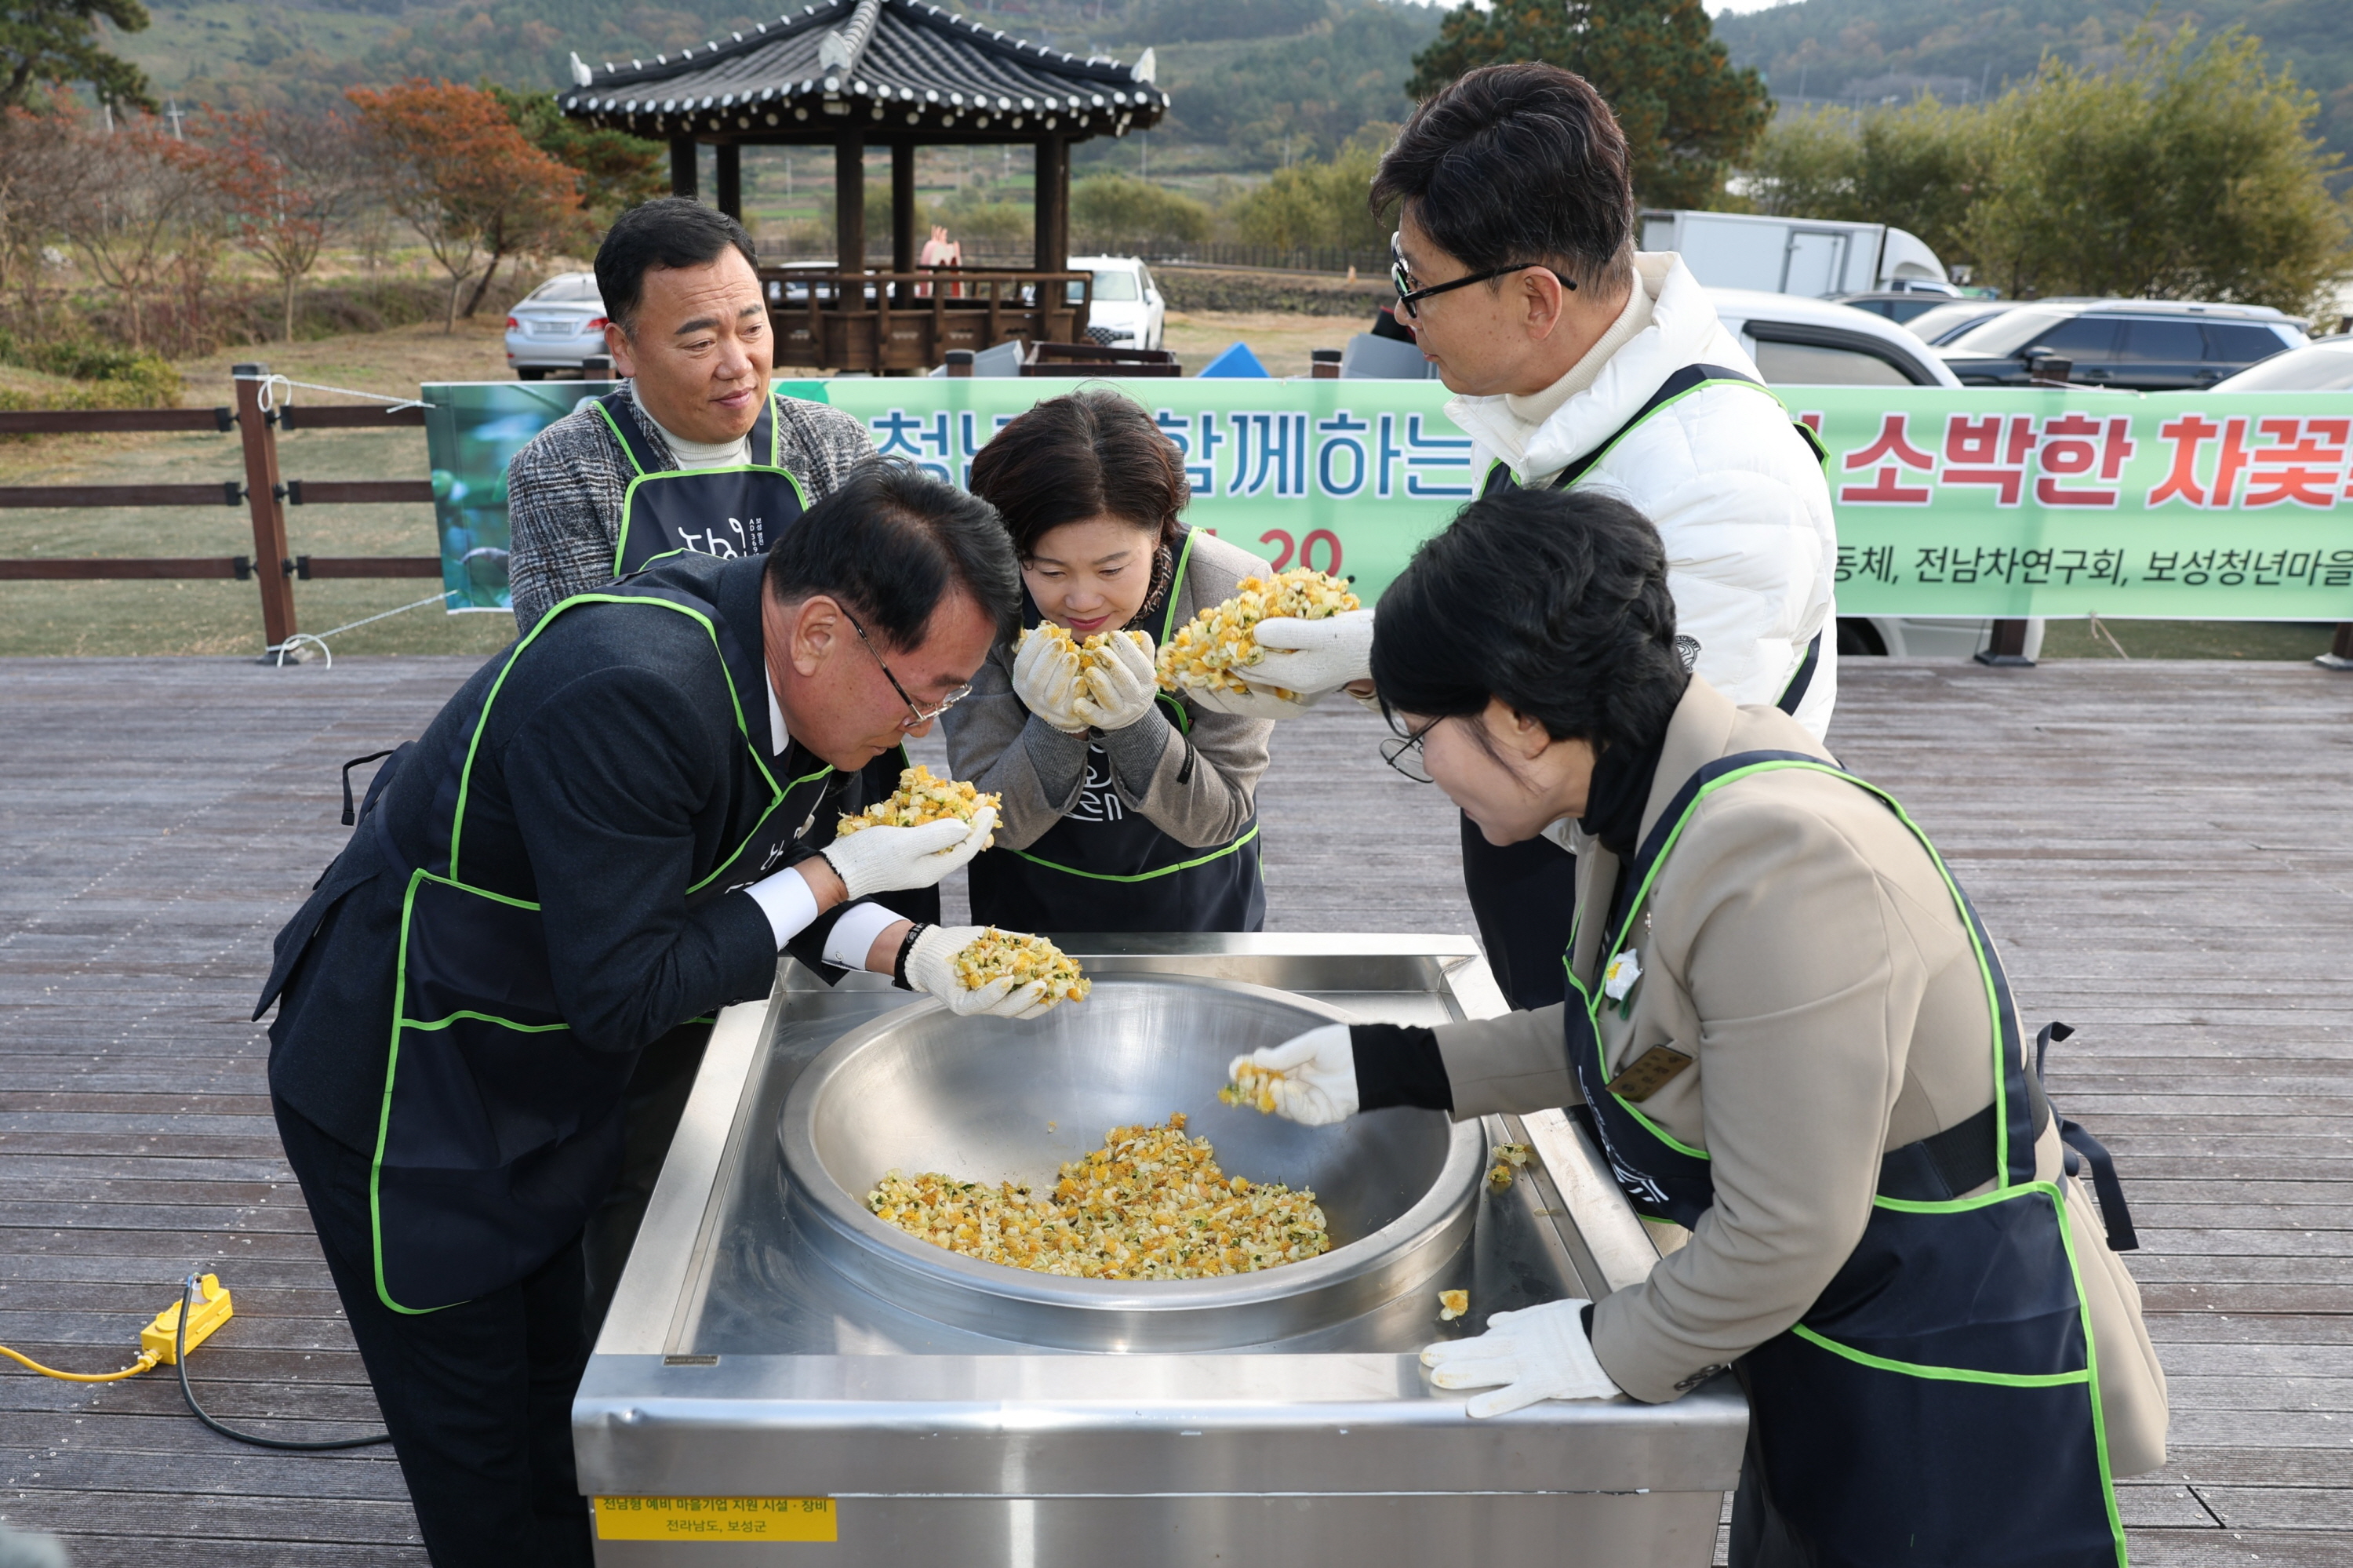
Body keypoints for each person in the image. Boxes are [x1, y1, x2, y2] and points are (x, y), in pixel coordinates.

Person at [1231, 488, 2166, 1567]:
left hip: (1939, 1356)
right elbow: (1638, 1037)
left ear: (1519, 720)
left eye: (1416, 740)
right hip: (1823, 1327)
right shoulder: (1647, 790)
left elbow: (1786, 1230)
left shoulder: (1779, 858)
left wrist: (1603, 1343)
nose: (1424, 773)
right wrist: (1391, 1062)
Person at [253, 465, 1067, 1567]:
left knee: (563, 1389)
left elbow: (744, 878)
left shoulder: (805, 678)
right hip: (418, 1081)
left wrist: (913, 948)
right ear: (822, 628)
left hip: (547, 1064)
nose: (919, 725)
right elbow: (631, 986)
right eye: (922, 692)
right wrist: (838, 874)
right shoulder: (630, 688)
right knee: (477, 1446)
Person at [1231, 63, 1838, 1013]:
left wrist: (1399, 672)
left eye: (1417, 283)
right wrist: (1371, 648)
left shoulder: (1724, 482)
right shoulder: (1559, 404)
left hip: (1658, 948)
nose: (1400, 312)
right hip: (1552, 902)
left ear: (1536, 299)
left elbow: (1650, 784)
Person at [944, 391, 1274, 930]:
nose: (1082, 600)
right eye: (1049, 571)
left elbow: (1223, 812)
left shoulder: (1233, 594)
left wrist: (1134, 724)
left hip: (1194, 901)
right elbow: (992, 819)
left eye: (1112, 568)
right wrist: (1054, 724)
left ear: (1160, 531)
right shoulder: (984, 599)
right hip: (1033, 900)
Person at [505, 196, 875, 633]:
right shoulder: (564, 467)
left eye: (752, 329)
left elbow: (894, 613)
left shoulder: (834, 443)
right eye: (700, 343)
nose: (738, 366)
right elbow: (582, 658)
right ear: (624, 347)